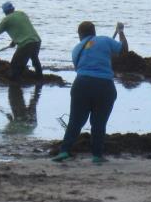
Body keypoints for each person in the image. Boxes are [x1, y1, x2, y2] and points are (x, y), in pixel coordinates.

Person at [53, 22, 128, 164]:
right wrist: (120, 31)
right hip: (104, 85)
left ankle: (64, 151)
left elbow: (78, 68)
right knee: (99, 122)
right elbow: (124, 50)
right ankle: (97, 155)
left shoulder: (77, 49)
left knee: (75, 121)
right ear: (94, 31)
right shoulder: (105, 40)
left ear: (79, 34)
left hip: (81, 84)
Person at [0, 2, 42, 81]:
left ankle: (16, 83)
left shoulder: (6, 20)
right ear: (13, 9)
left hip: (26, 44)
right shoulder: (21, 14)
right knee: (35, 59)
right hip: (36, 41)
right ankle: (39, 78)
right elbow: (21, 28)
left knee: (15, 65)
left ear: (5, 12)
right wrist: (14, 41)